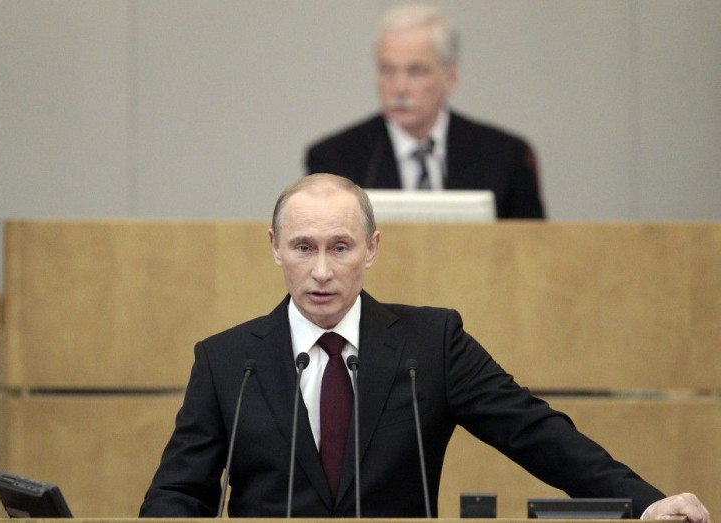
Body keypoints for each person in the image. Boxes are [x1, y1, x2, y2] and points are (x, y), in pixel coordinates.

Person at [140, 173, 709, 521]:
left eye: (340, 247)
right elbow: (176, 494)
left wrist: (645, 502)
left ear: (372, 249)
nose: (320, 271)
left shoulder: (431, 345)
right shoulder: (226, 360)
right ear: (274, 248)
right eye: (303, 246)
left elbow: (536, 433)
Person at [304, 4, 545, 219]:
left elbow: (534, 252)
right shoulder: (335, 160)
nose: (399, 88)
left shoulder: (503, 156)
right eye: (388, 70)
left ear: (450, 77)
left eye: (416, 71)